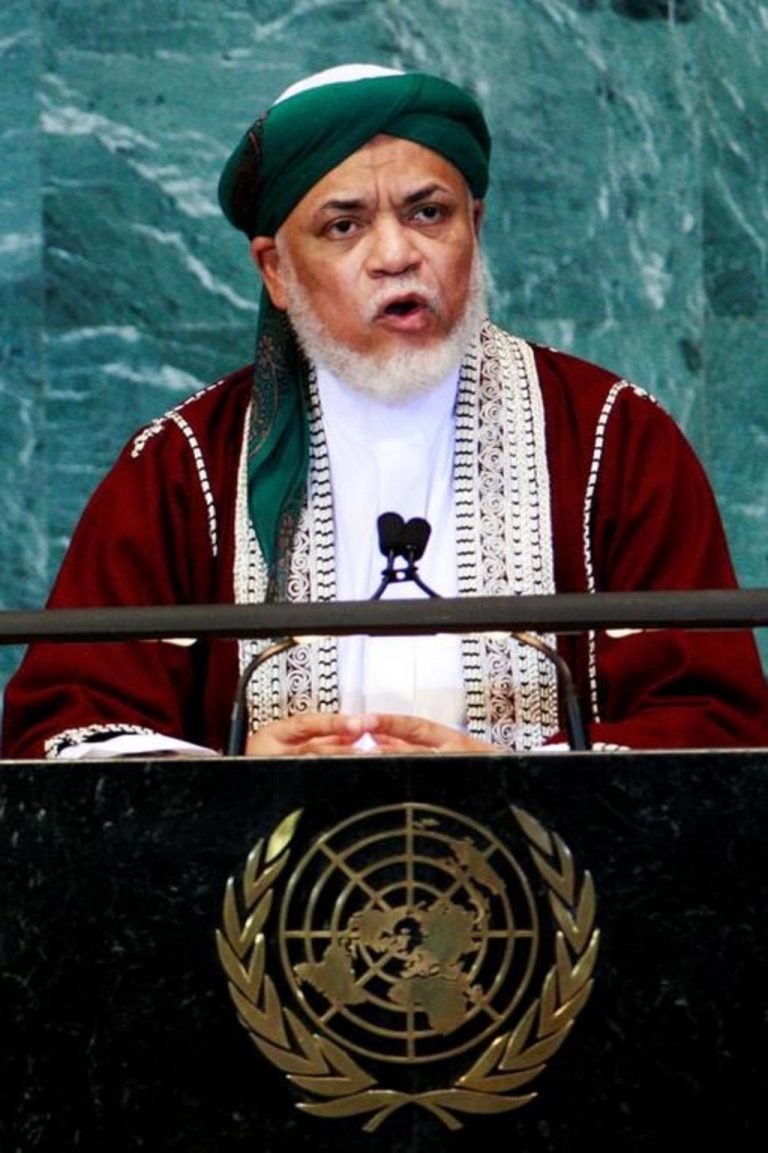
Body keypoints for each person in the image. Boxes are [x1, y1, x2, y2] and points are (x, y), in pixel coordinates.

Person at [3, 64, 767, 760]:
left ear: (476, 228)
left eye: (428, 213)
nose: (396, 255)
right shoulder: (188, 466)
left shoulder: (610, 437)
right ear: (275, 270)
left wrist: (512, 781)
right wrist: (236, 786)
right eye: (345, 225)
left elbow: (717, 722)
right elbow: (64, 732)